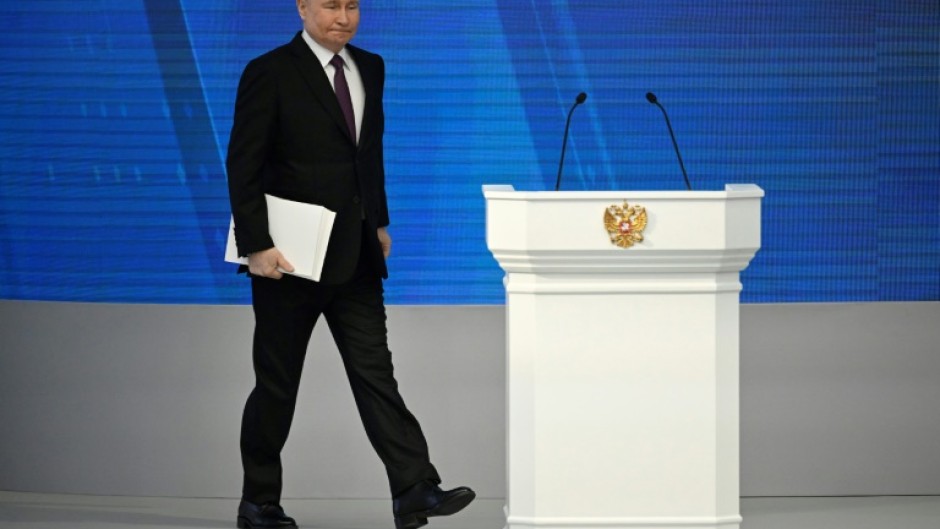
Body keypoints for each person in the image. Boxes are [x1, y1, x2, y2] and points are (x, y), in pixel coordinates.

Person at [225, 1, 475, 528]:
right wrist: (256, 245)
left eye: (352, 5)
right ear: (302, 7)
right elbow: (243, 163)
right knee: (277, 386)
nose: (344, 16)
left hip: (356, 255)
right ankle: (258, 502)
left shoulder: (371, 67)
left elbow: (368, 156)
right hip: (288, 260)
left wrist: (378, 223)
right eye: (331, 5)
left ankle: (414, 487)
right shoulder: (269, 71)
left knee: (375, 374)